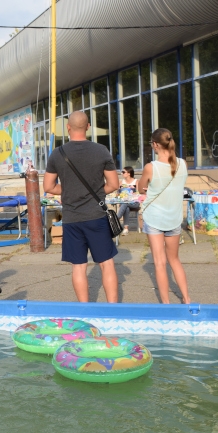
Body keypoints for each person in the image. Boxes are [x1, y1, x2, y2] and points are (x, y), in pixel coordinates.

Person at [43, 110, 119, 303]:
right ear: (88, 127)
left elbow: (48, 186)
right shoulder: (101, 150)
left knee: (78, 266)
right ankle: (113, 309)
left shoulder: (57, 154)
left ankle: (84, 309)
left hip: (72, 218)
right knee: (106, 264)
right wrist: (95, 191)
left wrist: (69, 190)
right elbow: (113, 184)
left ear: (68, 128)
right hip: (96, 216)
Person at [137, 128, 191, 305]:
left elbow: (140, 188)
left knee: (160, 263)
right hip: (174, 218)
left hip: (154, 218)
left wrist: (145, 186)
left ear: (155, 145)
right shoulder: (182, 163)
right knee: (174, 260)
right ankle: (187, 298)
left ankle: (166, 304)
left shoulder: (151, 167)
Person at [115, 166, 141, 235]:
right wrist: (120, 193)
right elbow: (117, 194)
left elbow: (139, 194)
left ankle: (116, 219)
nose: (122, 174)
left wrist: (133, 191)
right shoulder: (121, 182)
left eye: (123, 172)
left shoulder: (136, 181)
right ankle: (126, 229)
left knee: (125, 203)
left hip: (134, 202)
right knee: (125, 205)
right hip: (125, 202)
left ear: (129, 173)